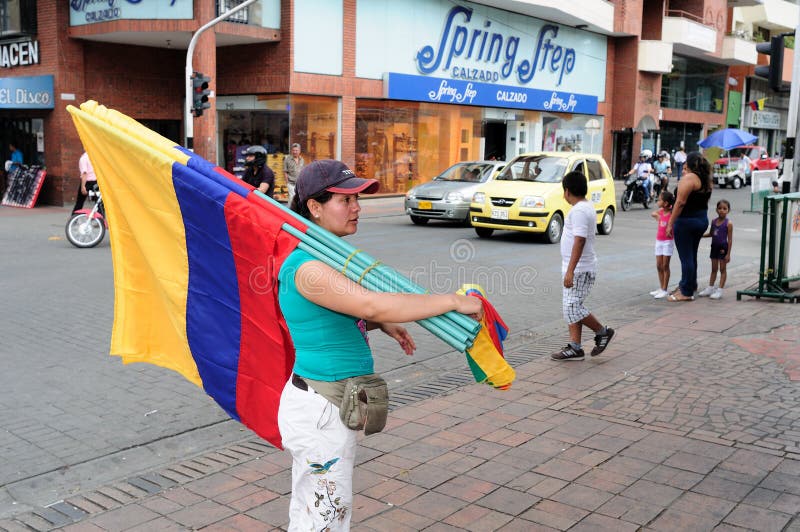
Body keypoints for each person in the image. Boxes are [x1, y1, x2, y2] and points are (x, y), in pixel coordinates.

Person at [276, 159, 483, 530]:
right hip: (321, 408)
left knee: (314, 510)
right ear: (314, 207)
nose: (357, 208)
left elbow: (333, 319)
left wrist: (379, 323)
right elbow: (372, 301)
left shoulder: (325, 257)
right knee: (326, 516)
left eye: (358, 199)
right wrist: (450, 301)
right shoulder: (308, 267)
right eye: (346, 200)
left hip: (326, 402)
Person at [551, 171, 615, 361]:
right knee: (573, 305)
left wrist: (570, 271)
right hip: (578, 267)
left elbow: (579, 240)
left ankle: (602, 331)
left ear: (567, 191)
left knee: (571, 307)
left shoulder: (579, 210)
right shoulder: (585, 207)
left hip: (580, 269)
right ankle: (575, 347)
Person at [665, 151, 712, 301]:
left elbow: (680, 203)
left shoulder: (689, 178)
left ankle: (686, 291)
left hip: (686, 221)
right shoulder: (705, 179)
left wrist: (670, 223)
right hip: (701, 219)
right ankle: (690, 284)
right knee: (691, 255)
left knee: (686, 257)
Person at [698, 199, 733, 300]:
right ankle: (710, 288)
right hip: (714, 247)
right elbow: (711, 234)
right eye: (720, 208)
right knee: (714, 269)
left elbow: (730, 240)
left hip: (723, 248)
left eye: (724, 209)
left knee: (722, 269)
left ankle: (720, 290)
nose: (722, 210)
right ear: (716, 210)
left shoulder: (728, 223)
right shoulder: (713, 221)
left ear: (728, 210)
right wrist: (700, 235)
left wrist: (728, 254)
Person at [649, 190, 675, 299]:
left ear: (665, 203)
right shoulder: (660, 211)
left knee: (665, 266)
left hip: (667, 242)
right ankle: (661, 287)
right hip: (659, 241)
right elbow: (652, 213)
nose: (658, 201)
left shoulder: (672, 214)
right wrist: (657, 216)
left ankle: (665, 289)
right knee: (659, 265)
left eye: (660, 200)